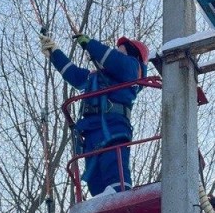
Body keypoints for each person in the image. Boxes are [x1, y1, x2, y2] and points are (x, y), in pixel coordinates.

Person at [40, 32, 149, 197]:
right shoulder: (97, 78)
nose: (116, 53)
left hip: (113, 128)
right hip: (91, 132)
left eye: (121, 51)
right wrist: (55, 53)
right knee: (95, 176)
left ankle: (121, 196)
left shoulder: (132, 70)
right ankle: (100, 200)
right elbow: (74, 75)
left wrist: (90, 44)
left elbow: (115, 61)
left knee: (113, 164)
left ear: (134, 56)